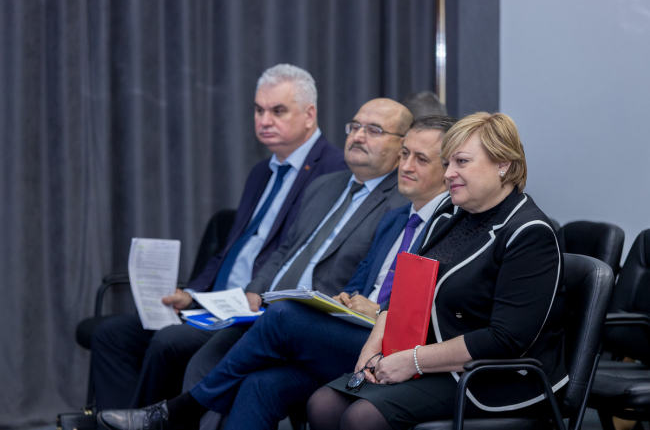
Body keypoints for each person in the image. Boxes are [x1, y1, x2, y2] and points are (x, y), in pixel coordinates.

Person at [95, 100, 418, 430]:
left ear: (401, 147)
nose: (358, 136)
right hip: (266, 309)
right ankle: (173, 415)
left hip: (312, 320)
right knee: (205, 362)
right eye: (355, 127)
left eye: (374, 130)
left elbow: (367, 286)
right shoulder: (325, 186)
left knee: (214, 353)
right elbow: (285, 250)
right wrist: (255, 290)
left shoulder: (400, 203)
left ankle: (176, 413)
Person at [90, 64, 348, 410]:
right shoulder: (262, 171)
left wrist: (252, 295)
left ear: (309, 115)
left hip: (257, 309)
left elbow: (301, 257)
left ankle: (151, 420)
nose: (264, 121)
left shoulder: (335, 171)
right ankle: (116, 419)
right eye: (258, 110)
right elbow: (231, 250)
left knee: (168, 342)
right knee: (112, 335)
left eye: (278, 111)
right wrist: (192, 294)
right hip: (215, 303)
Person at [307, 112, 567, 430]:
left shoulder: (529, 232)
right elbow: (405, 289)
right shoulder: (449, 213)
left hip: (497, 377)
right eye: (447, 163)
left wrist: (414, 360)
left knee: (363, 417)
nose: (448, 174)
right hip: (434, 359)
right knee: (324, 403)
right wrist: (372, 348)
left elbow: (505, 340)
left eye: (461, 162)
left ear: (503, 165)